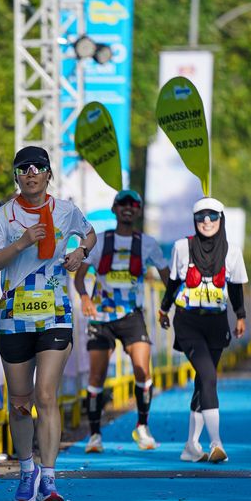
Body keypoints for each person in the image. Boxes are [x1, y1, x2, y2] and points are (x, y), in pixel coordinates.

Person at [0, 146, 96, 501]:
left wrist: (81, 252)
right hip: (15, 317)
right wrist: (21, 243)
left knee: (45, 394)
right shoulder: (3, 216)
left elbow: (89, 234)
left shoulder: (65, 211)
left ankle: (49, 478)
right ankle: (26, 470)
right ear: (17, 176)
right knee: (20, 402)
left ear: (48, 174)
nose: (31, 173)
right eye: (24, 168)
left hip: (55, 315)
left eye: (38, 167)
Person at [74, 189, 169, 453]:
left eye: (133, 204)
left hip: (131, 316)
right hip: (101, 316)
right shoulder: (100, 241)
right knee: (96, 375)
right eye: (122, 204)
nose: (128, 207)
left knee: (143, 370)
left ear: (138, 211)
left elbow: (166, 277)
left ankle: (142, 427)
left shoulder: (147, 243)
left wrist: (169, 304)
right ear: (114, 209)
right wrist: (85, 298)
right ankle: (94, 435)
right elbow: (79, 277)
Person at [158, 196, 247, 463]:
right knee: (208, 376)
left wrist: (240, 316)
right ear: (194, 220)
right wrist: (163, 309)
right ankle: (216, 443)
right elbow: (173, 283)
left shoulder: (232, 252)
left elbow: (236, 288)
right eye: (200, 217)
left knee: (202, 381)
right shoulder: (182, 247)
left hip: (216, 323)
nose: (206, 221)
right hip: (188, 322)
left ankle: (191, 446)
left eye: (212, 216)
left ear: (221, 219)